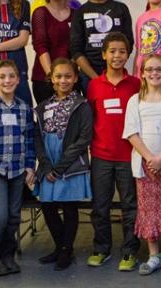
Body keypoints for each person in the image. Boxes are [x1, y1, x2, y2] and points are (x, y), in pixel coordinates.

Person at [123, 54, 161, 276]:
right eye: (149, 69)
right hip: (144, 165)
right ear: (142, 73)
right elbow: (131, 133)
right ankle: (153, 256)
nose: (154, 73)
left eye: (159, 69)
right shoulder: (134, 101)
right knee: (148, 211)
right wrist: (150, 158)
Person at [86, 32, 141, 271]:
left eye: (122, 51)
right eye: (112, 51)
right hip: (101, 155)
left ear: (128, 55)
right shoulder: (94, 85)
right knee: (100, 206)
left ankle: (130, 251)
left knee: (130, 206)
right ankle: (101, 248)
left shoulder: (137, 84)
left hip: (130, 156)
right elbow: (90, 119)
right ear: (103, 54)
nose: (117, 56)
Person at [34, 58, 93, 271]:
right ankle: (59, 246)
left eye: (68, 76)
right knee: (47, 206)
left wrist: (60, 167)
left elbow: (84, 138)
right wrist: (46, 165)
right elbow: (38, 138)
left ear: (76, 78)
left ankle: (67, 249)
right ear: (51, 79)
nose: (63, 80)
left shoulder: (82, 105)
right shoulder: (43, 107)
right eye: (58, 76)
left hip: (70, 162)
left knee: (69, 206)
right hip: (48, 162)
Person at [0, 60, 36, 276]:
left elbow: (29, 139)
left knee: (13, 216)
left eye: (11, 76)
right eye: (2, 77)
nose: (7, 80)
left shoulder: (24, 108)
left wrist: (30, 166)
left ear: (18, 80)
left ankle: (7, 254)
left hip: (18, 169)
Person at [70, 0, 134, 93]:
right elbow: (76, 50)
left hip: (117, 74)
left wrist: (114, 71)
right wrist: (96, 79)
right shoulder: (80, 12)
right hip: (89, 77)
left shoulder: (121, 8)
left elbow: (129, 44)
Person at [31, 0, 73, 104]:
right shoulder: (40, 13)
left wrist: (66, 78)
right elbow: (40, 46)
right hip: (45, 79)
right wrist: (54, 78)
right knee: (47, 122)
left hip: (69, 80)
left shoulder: (76, 14)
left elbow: (77, 46)